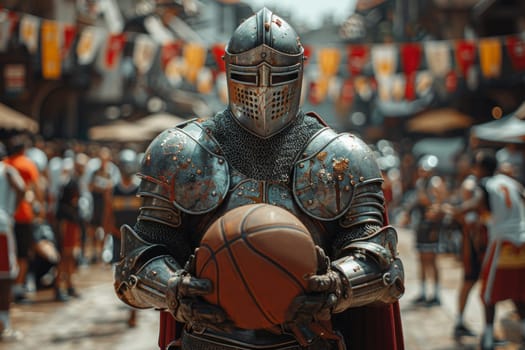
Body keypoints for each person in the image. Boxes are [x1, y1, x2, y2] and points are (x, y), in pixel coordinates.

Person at [114, 8, 405, 350]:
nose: (264, 89)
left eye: (278, 77)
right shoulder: (181, 152)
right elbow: (136, 264)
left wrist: (338, 284)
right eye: (248, 75)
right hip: (209, 341)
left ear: (298, 74)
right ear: (228, 72)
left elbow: (384, 267)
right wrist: (175, 288)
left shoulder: (343, 157)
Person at [443, 148, 525, 350]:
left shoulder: (485, 184)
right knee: (519, 291)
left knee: (488, 294)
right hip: (522, 242)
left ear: (481, 168)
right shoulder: (512, 183)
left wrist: (456, 210)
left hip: (502, 242)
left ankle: (487, 338)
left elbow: (476, 203)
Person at [448, 153, 488, 341]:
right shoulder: (472, 183)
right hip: (473, 240)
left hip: (478, 238)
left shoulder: (477, 183)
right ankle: (461, 321)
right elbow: (467, 214)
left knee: (473, 283)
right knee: (469, 281)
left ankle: (463, 321)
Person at [4, 134, 43, 303]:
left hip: (6, 216)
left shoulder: (5, 164)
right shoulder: (28, 164)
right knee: (23, 254)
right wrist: (40, 209)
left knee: (7, 254)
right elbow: (36, 188)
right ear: (24, 149)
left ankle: (8, 287)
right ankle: (18, 289)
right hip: (23, 215)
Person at [106, 149, 141, 328]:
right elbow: (109, 216)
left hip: (135, 239)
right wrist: (113, 232)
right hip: (118, 238)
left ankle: (132, 311)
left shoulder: (139, 190)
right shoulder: (113, 190)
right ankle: (130, 306)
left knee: (133, 274)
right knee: (121, 276)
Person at [409, 154, 447, 307]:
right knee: (422, 259)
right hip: (421, 224)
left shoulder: (435, 183)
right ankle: (423, 292)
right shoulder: (420, 183)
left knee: (432, 259)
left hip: (432, 225)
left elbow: (439, 204)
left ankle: (436, 293)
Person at [0, 141, 25, 341]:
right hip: (2, 225)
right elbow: (21, 188)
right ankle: (4, 324)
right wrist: (11, 211)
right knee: (6, 276)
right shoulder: (7, 170)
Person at [54, 157, 82, 301]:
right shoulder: (69, 184)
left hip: (69, 225)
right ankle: (60, 286)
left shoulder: (63, 183)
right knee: (65, 257)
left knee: (69, 257)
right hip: (67, 226)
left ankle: (69, 285)